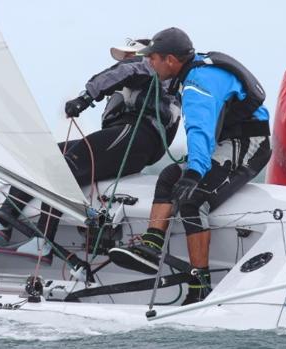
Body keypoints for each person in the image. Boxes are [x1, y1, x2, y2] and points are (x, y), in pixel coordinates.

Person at [108, 28, 272, 305]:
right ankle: (152, 245)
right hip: (226, 142)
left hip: (248, 145)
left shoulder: (198, 84)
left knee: (193, 201)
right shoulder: (194, 70)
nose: (150, 64)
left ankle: (200, 285)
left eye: (154, 59)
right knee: (170, 175)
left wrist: (195, 172)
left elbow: (200, 130)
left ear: (171, 60)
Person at [0, 38, 181, 264]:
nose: (124, 61)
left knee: (64, 167)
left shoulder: (148, 68)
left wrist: (85, 98)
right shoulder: (138, 80)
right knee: (46, 155)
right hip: (125, 138)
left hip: (135, 138)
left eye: (129, 55)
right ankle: (6, 216)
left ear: (145, 56)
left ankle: (43, 242)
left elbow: (124, 72)